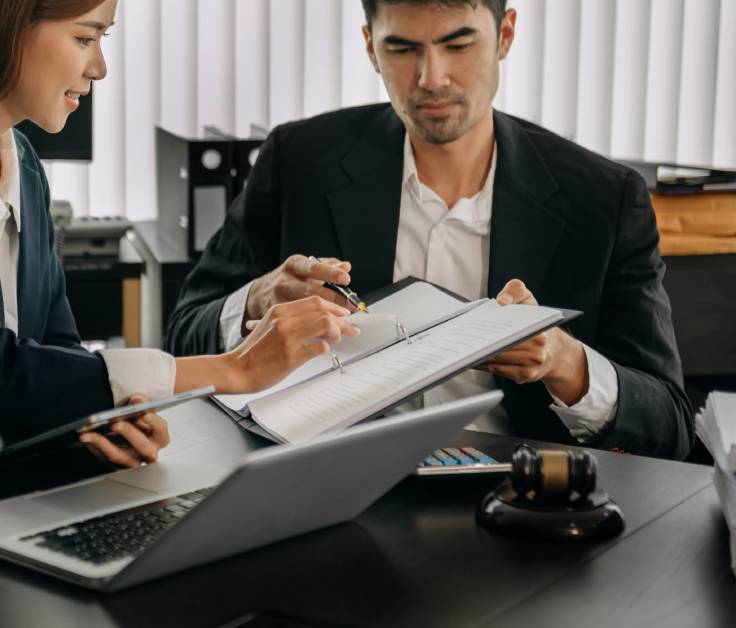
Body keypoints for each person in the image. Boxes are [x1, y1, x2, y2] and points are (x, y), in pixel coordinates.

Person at [0, 0, 358, 496]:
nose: (99, 67)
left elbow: (53, 349)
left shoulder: (21, 163)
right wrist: (233, 370)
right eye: (86, 37)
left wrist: (106, 424)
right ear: (5, 25)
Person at [164, 0, 693, 459]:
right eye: (403, 49)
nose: (431, 78)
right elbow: (184, 334)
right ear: (371, 47)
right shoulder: (297, 160)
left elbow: (669, 423)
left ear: (504, 35)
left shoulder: (603, 196)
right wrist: (255, 301)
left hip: (524, 508)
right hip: (325, 488)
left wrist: (566, 364)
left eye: (458, 45)